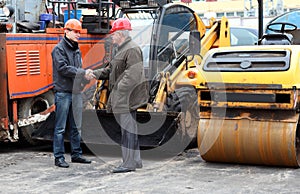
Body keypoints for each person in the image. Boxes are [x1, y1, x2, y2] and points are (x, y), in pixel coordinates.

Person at [93, 18, 148, 173]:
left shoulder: (131, 49)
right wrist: (94, 74)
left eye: (113, 34)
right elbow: (110, 70)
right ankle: (135, 160)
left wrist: (117, 89)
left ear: (120, 34)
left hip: (128, 98)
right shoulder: (121, 49)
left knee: (127, 130)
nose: (111, 36)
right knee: (130, 129)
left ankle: (128, 164)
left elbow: (133, 75)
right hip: (124, 97)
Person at [51, 19, 94, 168]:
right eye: (75, 32)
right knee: (60, 127)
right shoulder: (58, 50)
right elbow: (63, 68)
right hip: (63, 93)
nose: (78, 35)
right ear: (66, 31)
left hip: (75, 93)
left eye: (79, 32)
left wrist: (83, 81)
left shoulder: (76, 50)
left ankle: (76, 154)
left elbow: (77, 69)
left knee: (76, 126)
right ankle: (59, 157)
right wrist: (83, 73)